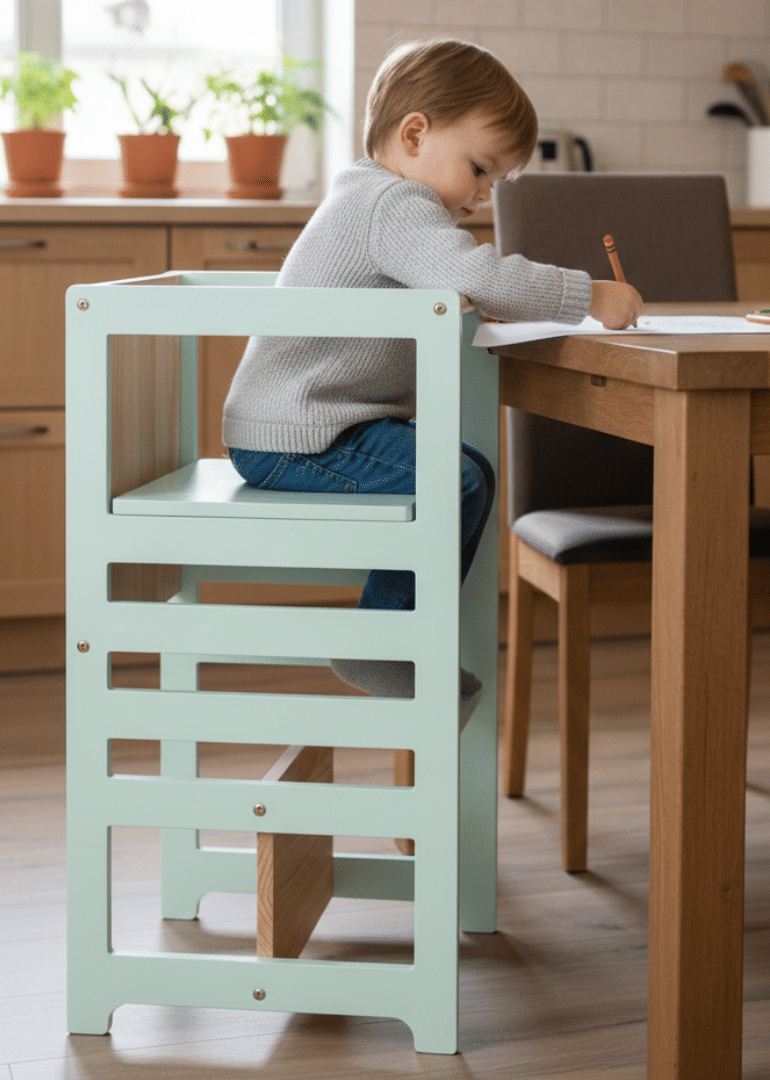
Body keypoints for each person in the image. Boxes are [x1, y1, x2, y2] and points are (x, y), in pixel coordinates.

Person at [223, 39, 643, 703]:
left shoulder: (371, 194)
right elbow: (472, 271)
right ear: (414, 134)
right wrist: (588, 294)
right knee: (460, 477)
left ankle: (394, 640)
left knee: (463, 472)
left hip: (298, 428)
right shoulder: (394, 204)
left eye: (493, 183)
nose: (480, 194)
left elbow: (456, 274)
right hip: (300, 435)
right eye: (479, 169)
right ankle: (386, 645)